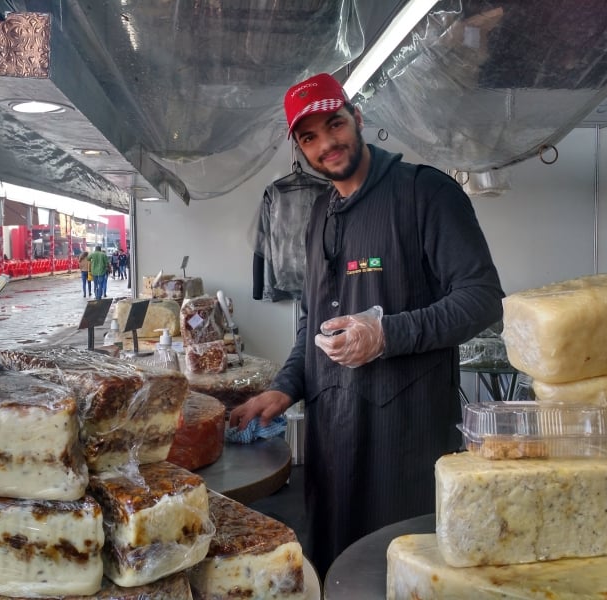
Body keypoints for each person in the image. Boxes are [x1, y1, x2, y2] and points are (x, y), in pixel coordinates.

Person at [229, 73, 505, 576]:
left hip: (403, 442)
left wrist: (387, 335)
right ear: (299, 148)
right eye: (309, 137)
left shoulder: (424, 193)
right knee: (335, 569)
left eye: (334, 124)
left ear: (358, 119)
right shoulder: (320, 215)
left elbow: (483, 300)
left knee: (399, 574)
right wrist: (285, 389)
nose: (327, 144)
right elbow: (313, 320)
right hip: (332, 441)